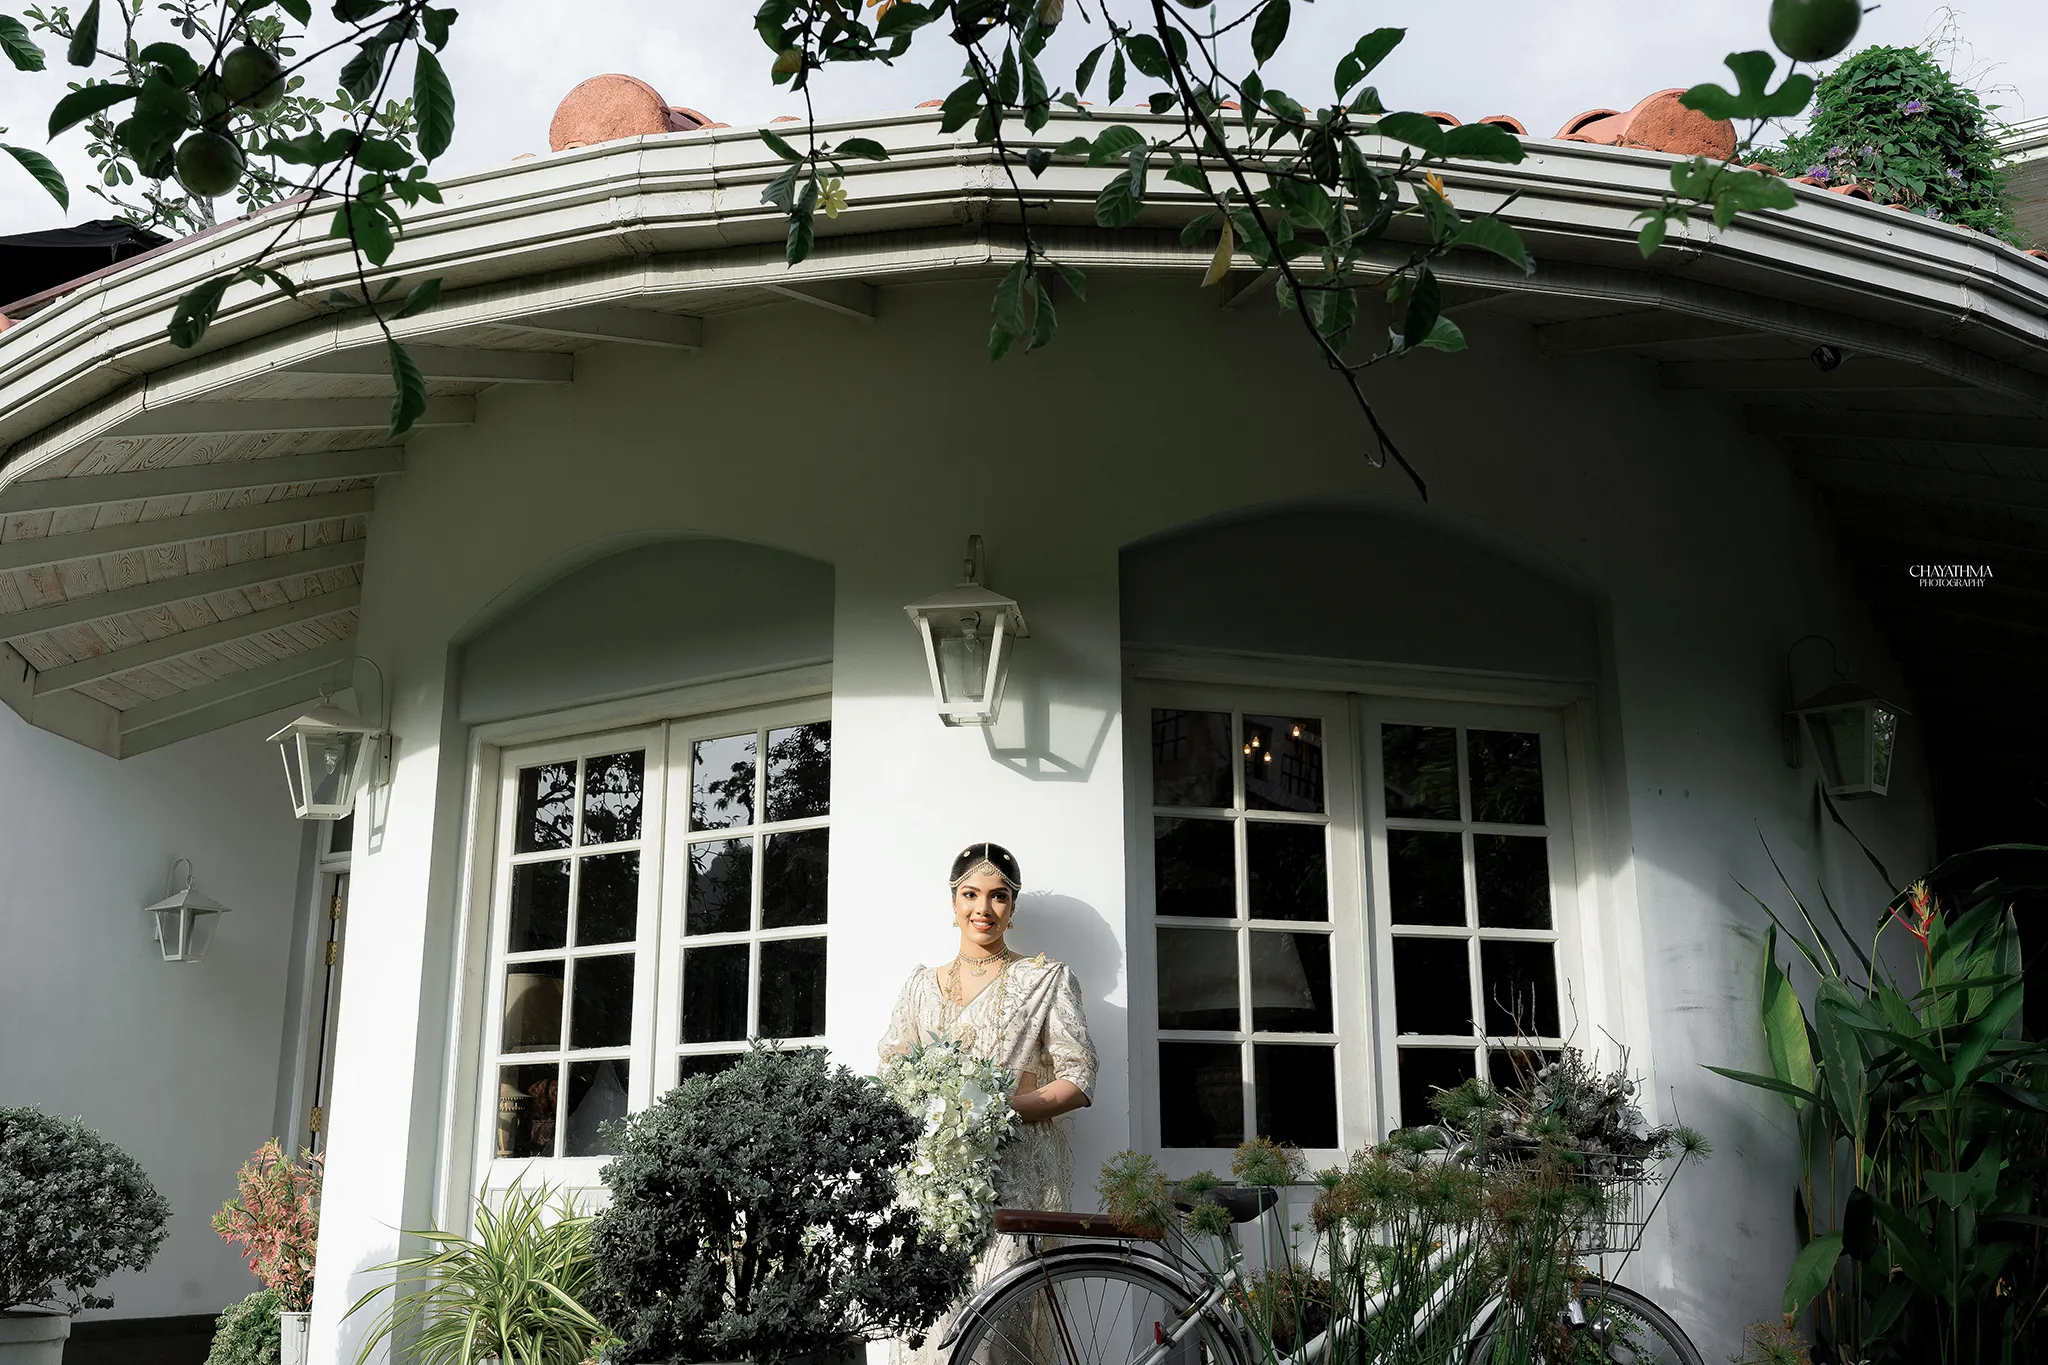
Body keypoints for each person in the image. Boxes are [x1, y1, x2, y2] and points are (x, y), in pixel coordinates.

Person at [879, 841, 1098, 1363]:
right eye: (971, 894)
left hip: (1014, 1179)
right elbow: (892, 1073)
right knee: (932, 1329)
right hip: (930, 1185)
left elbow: (1079, 1078)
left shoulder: (1044, 979)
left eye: (999, 896)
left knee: (999, 1328)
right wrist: (933, 1105)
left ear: (1013, 907)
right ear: (953, 901)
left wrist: (996, 1108)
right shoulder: (920, 987)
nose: (984, 908)